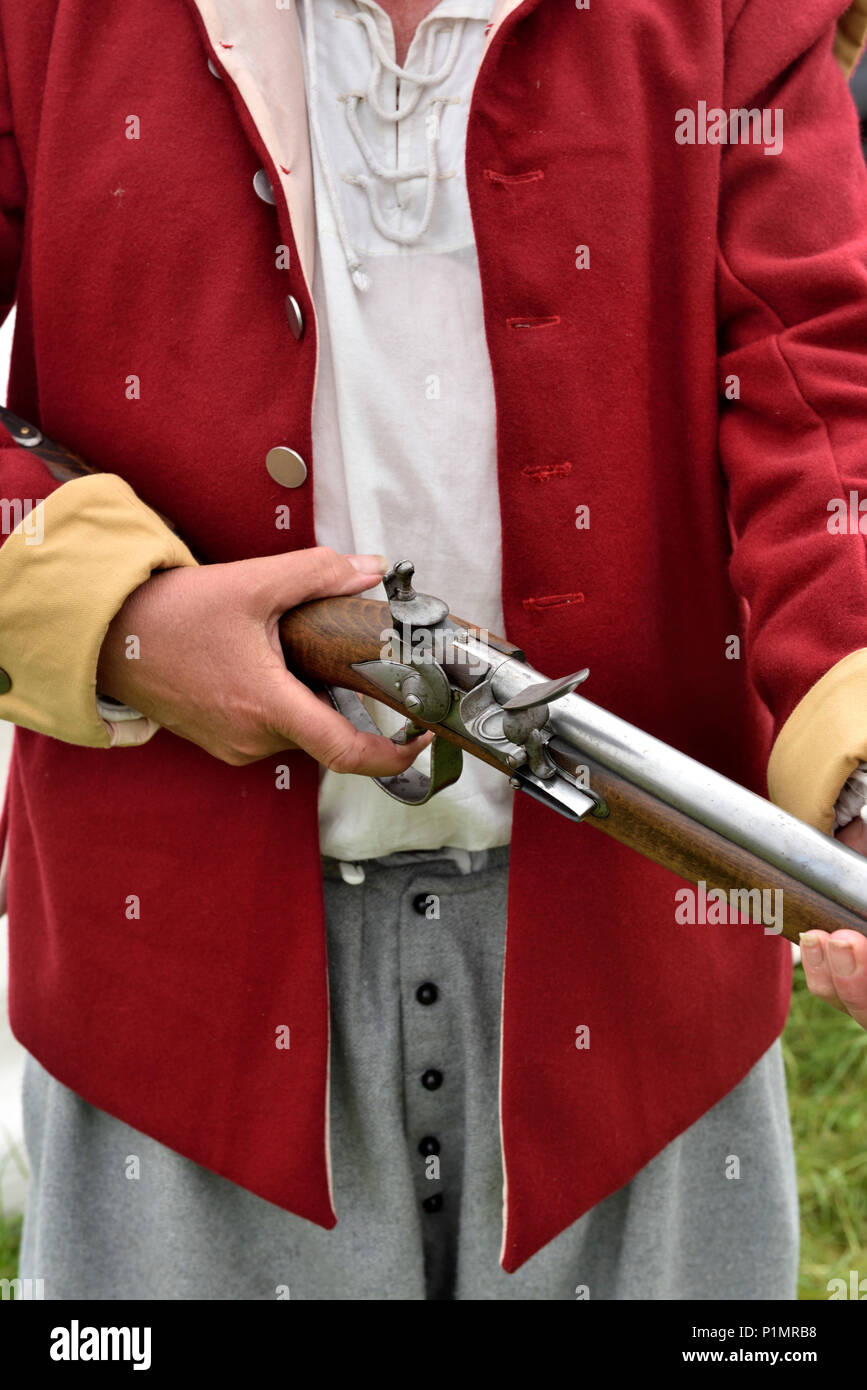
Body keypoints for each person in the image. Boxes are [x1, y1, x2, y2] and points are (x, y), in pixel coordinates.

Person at [1, 0, 867, 1300]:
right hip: (174, 1005)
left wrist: (854, 792)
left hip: (640, 985)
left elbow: (816, 400)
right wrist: (122, 621)